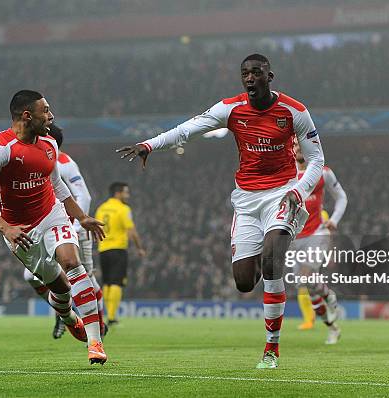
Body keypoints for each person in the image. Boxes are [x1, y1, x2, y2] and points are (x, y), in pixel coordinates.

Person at [118, 54, 324, 368]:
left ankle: (271, 349)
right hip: (246, 200)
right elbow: (189, 128)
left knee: (272, 260)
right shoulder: (231, 108)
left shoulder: (294, 111)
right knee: (244, 281)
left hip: (283, 194)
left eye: (257, 72)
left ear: (270, 76)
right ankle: (267, 269)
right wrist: (149, 144)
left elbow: (316, 160)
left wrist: (298, 190)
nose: (250, 77)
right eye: (245, 73)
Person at [0, 90, 108, 364]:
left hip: (51, 214)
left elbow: (57, 185)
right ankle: (67, 317)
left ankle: (95, 343)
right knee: (61, 288)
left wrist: (81, 216)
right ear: (26, 115)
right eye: (46, 110)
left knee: (72, 263)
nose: (51, 116)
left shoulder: (49, 145)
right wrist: (5, 227)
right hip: (20, 232)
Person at [22, 124, 107, 339]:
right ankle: (64, 315)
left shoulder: (66, 164)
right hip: (48, 229)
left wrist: (77, 225)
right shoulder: (31, 159)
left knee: (86, 278)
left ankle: (99, 324)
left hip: (74, 229)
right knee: (32, 277)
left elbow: (84, 197)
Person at [290, 139, 347, 345]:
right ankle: (332, 327)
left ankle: (329, 299)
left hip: (318, 232)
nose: (298, 148)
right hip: (295, 238)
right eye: (294, 145)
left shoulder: (322, 172)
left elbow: (342, 197)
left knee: (307, 276)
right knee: (310, 286)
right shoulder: (284, 176)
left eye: (300, 145)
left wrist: (334, 220)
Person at [94, 182, 145, 326]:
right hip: (118, 249)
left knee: (107, 283)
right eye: (126, 192)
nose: (128, 196)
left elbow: (96, 228)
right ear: (118, 193)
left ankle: (106, 314)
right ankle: (111, 317)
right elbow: (131, 230)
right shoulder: (123, 209)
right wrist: (139, 247)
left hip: (103, 249)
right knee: (116, 282)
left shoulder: (101, 208)